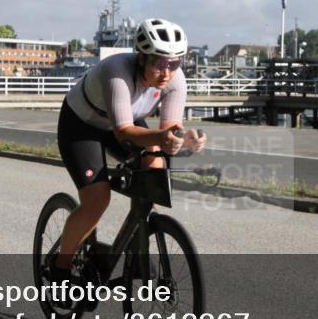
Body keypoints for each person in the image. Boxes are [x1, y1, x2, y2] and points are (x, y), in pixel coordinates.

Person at [51, 18, 206, 282]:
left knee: (154, 172)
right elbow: (122, 132)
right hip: (82, 124)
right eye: (159, 63)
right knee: (97, 199)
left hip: (127, 121)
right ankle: (60, 267)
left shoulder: (175, 80)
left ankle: (137, 252)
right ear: (142, 57)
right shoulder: (117, 70)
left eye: (174, 63)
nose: (166, 72)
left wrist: (186, 139)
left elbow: (169, 129)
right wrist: (162, 138)